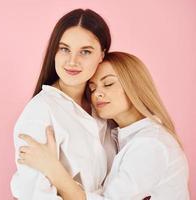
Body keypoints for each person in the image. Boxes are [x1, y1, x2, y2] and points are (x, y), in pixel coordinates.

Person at [18, 52, 190, 200]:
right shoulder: (120, 136)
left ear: (134, 85)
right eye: (92, 88)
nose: (97, 94)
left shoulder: (151, 144)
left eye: (108, 84)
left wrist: (54, 170)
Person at [10, 9, 116, 200]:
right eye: (64, 49)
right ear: (54, 52)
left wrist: (57, 174)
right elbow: (34, 195)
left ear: (102, 54)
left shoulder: (104, 106)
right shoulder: (40, 113)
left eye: (85, 51)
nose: (72, 61)